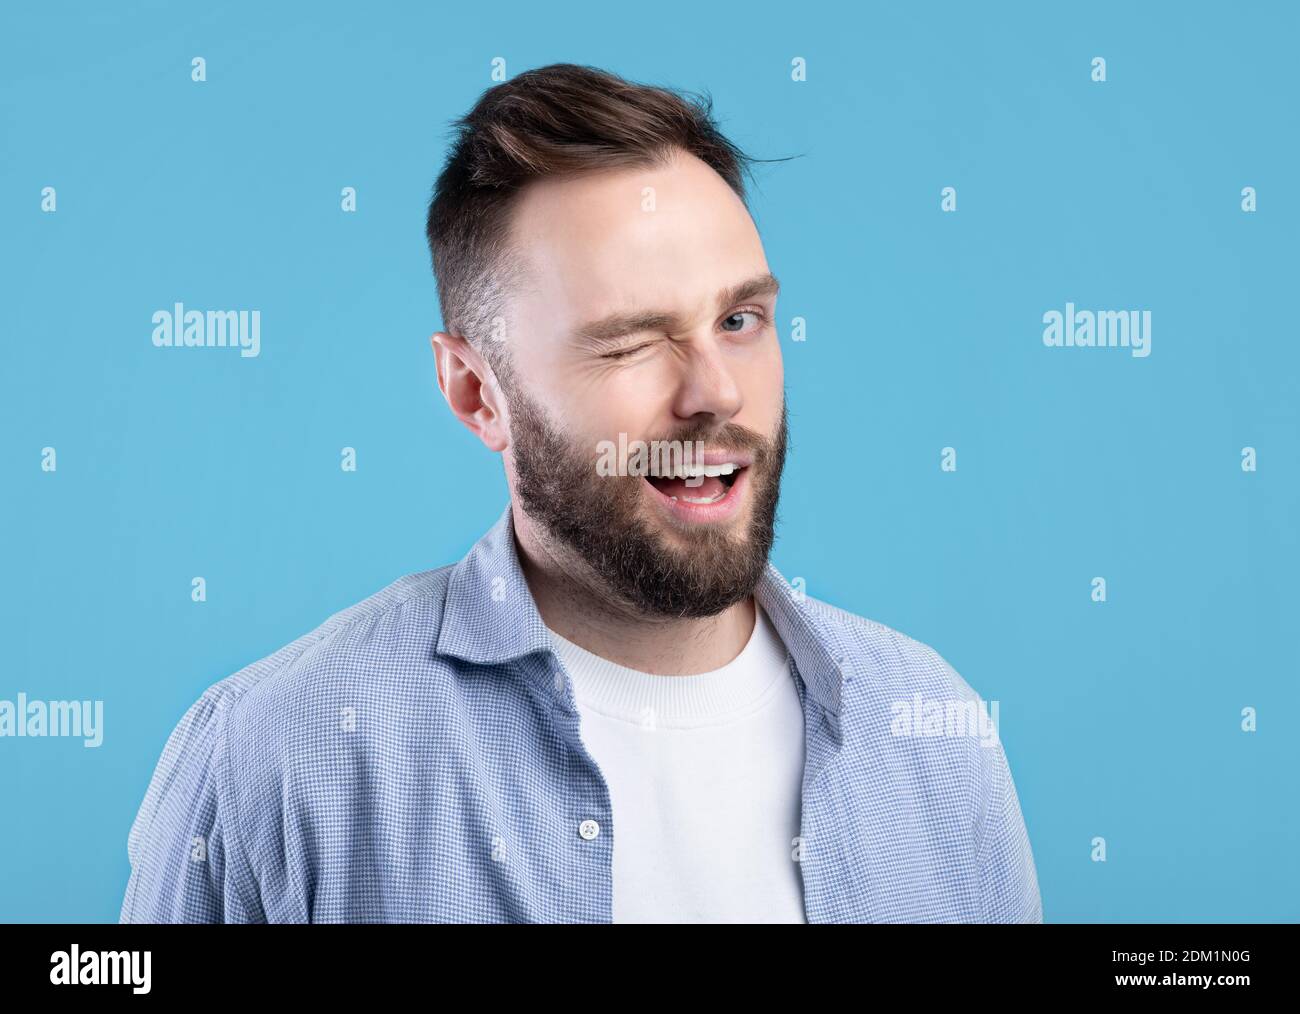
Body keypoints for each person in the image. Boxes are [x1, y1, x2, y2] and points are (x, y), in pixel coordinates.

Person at [120, 63, 1042, 924]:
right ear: (477, 393)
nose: (716, 391)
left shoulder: (931, 731)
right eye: (631, 341)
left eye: (738, 320)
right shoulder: (274, 754)